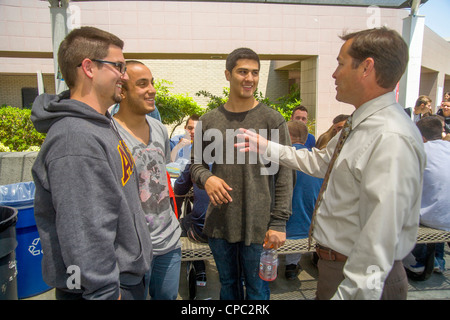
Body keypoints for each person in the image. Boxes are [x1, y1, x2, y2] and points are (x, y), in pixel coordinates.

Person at [237, 27, 426, 300]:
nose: (334, 74)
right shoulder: (362, 124)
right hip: (338, 270)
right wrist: (267, 147)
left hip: (357, 279)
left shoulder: (389, 136)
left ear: (366, 68)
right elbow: (321, 161)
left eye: (340, 63)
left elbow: (379, 242)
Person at [30, 27, 152, 300]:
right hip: (104, 291)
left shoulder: (98, 124)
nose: (124, 75)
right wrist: (106, 292)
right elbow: (84, 232)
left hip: (121, 282)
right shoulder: (75, 139)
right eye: (118, 66)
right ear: (89, 67)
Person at [190, 47, 293, 300]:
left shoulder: (272, 120)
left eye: (255, 73)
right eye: (242, 71)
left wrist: (279, 222)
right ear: (228, 74)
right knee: (228, 287)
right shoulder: (209, 120)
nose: (250, 78)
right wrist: (208, 178)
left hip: (260, 226)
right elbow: (195, 165)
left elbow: (285, 174)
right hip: (220, 225)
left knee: (258, 291)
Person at [112, 60, 182, 300]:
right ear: (122, 91)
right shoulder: (110, 134)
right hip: (132, 249)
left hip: (169, 241)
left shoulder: (159, 128)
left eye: (151, 82)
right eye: (142, 84)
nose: (152, 89)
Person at [404, 116, 450, 275]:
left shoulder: (420, 151)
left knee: (412, 208)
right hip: (445, 216)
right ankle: (438, 259)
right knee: (439, 204)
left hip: (432, 218)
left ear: (420, 135)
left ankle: (419, 260)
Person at [284, 120, 323, 280]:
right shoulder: (318, 162)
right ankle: (291, 266)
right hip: (310, 230)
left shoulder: (280, 160)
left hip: (282, 231)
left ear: (286, 136)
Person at [174, 162, 210, 286]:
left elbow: (179, 188)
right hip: (231, 230)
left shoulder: (196, 162)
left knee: (185, 220)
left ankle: (198, 264)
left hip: (202, 232)